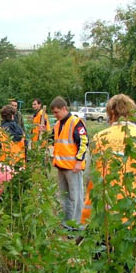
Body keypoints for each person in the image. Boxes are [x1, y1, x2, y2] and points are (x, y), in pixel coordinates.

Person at [83, 94, 136, 223]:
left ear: (111, 113)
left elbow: (89, 175)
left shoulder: (99, 138)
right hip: (135, 210)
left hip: (105, 209)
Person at [50, 96, 88, 228]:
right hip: (61, 166)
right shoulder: (57, 124)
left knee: (76, 197)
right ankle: (67, 223)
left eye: (56, 112)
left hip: (73, 167)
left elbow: (83, 142)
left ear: (64, 109)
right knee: (64, 196)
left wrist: (79, 161)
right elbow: (53, 140)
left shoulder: (75, 122)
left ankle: (76, 224)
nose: (55, 115)